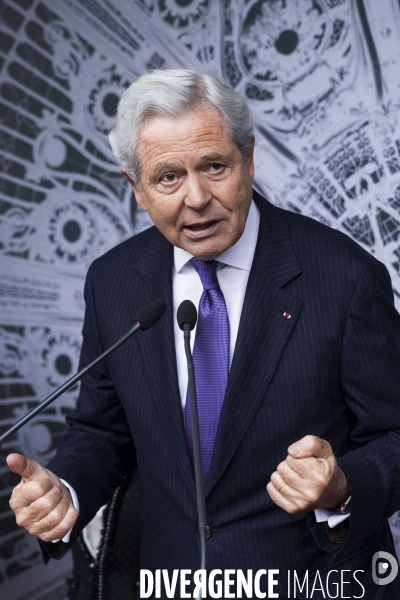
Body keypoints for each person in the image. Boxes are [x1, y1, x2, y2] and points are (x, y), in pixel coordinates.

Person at [7, 68, 400, 599]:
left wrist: (343, 484)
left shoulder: (344, 276)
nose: (196, 197)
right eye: (168, 176)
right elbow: (102, 432)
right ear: (136, 188)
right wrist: (67, 492)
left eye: (214, 166)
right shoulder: (114, 282)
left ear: (249, 158)